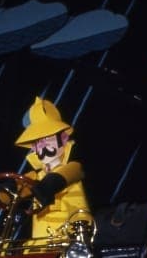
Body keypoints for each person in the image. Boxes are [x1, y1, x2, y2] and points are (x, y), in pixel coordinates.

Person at [10, 97, 90, 242]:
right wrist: (2, 192)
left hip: (68, 245)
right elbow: (20, 188)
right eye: (37, 142)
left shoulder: (72, 168)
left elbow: (69, 173)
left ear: (64, 138)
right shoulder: (36, 176)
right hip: (40, 249)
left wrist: (50, 183)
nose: (41, 146)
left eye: (46, 139)